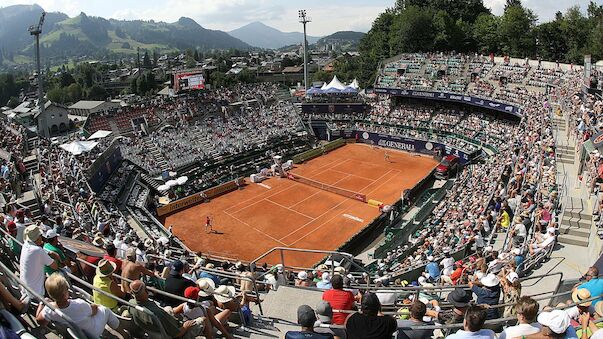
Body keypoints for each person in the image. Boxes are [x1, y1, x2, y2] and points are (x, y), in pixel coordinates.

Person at [36, 273, 124, 338]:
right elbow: (94, 311)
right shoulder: (78, 304)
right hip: (92, 332)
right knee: (105, 309)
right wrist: (95, 305)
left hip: (78, 334)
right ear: (66, 292)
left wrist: (42, 302)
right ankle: (123, 333)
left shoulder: (49, 309)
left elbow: (39, 321)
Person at [129, 280, 206, 339]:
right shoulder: (157, 314)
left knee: (168, 308)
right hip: (174, 334)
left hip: (155, 330)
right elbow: (177, 334)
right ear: (146, 291)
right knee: (203, 320)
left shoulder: (130, 303)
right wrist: (185, 327)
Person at [19, 225, 58, 296]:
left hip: (25, 290)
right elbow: (55, 266)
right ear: (37, 238)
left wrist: (47, 252)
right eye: (40, 235)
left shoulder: (25, 245)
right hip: (36, 294)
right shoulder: (38, 250)